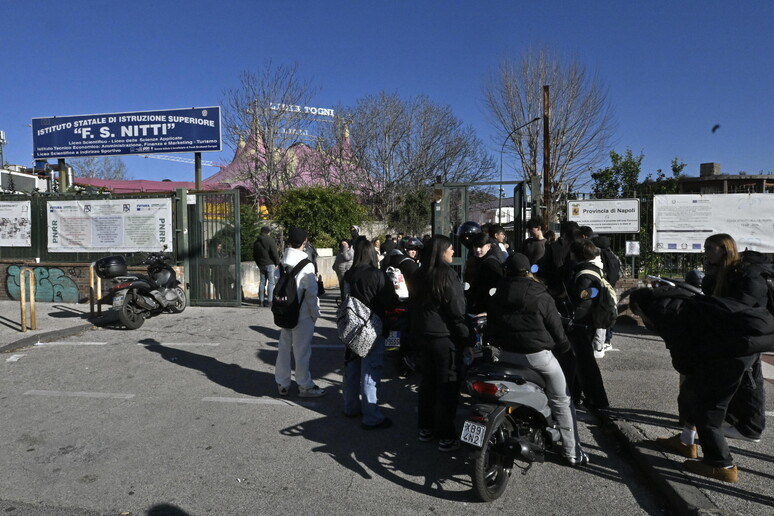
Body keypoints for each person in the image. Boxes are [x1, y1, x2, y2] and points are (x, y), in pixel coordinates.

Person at [488, 253, 589, 466]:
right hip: (538, 357)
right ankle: (572, 452)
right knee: (561, 399)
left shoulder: (498, 293)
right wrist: (564, 347)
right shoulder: (540, 294)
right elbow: (556, 328)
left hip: (507, 355)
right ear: (529, 271)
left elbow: (492, 326)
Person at [411, 235, 470, 452]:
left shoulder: (418, 274)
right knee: (447, 386)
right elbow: (456, 311)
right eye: (451, 249)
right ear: (441, 251)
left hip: (422, 336)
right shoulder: (446, 275)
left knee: (427, 383)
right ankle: (446, 435)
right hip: (444, 338)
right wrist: (466, 338)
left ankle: (425, 427)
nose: (453, 252)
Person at [342, 237, 399, 429]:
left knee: (352, 368)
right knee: (370, 370)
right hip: (372, 328)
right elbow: (391, 301)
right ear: (371, 253)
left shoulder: (348, 275)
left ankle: (350, 407)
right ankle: (371, 416)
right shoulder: (377, 274)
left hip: (352, 327)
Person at [275, 228, 326, 398]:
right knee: (302, 351)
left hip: (284, 310)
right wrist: (315, 313)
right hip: (302, 313)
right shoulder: (307, 264)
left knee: (284, 348)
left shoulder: (283, 261)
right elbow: (311, 293)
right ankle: (305, 386)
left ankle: (282, 383)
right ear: (305, 241)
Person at [566, 239, 610, 410]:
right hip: (584, 323)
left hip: (582, 324)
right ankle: (575, 395)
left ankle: (599, 400)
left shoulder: (586, 274)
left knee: (586, 363)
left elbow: (585, 298)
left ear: (577, 255)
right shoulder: (591, 270)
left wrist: (575, 319)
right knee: (580, 361)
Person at [463, 232, 504, 315]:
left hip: (485, 308)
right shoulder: (477, 259)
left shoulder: (491, 264)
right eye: (475, 246)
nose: (477, 250)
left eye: (481, 246)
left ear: (488, 246)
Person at [253, 226, 280, 307]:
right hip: (270, 263)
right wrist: (277, 263)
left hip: (261, 264)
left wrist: (258, 263)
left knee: (262, 282)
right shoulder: (270, 240)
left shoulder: (257, 242)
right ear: (268, 232)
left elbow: (254, 255)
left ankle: (261, 301)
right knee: (271, 283)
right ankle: (270, 301)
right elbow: (274, 253)